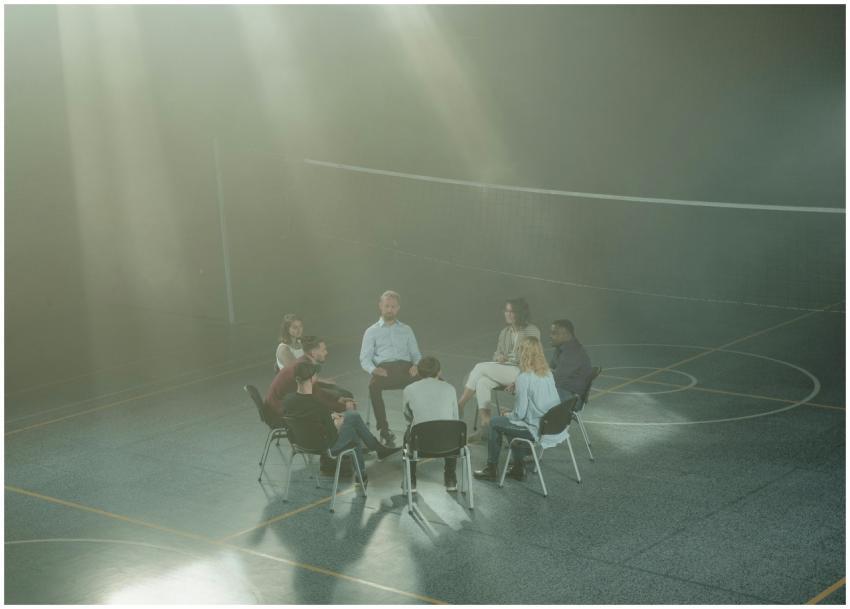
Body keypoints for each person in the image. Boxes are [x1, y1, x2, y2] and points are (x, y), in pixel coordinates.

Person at [282, 361, 402, 486]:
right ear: (312, 379)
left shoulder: (287, 400)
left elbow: (305, 417)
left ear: (297, 379)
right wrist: (340, 420)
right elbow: (332, 433)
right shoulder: (318, 406)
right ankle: (372, 457)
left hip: (299, 444)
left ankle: (370, 461)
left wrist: (331, 415)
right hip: (324, 446)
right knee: (353, 427)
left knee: (352, 421)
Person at [473, 336, 563, 482]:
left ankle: (491, 469)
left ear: (523, 354)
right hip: (550, 425)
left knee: (495, 423)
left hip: (535, 428)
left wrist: (508, 414)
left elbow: (519, 414)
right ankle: (518, 467)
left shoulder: (525, 377)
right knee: (509, 421)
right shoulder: (548, 373)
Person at [456, 298, 540, 430]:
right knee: (482, 382)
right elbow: (496, 354)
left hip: (522, 372)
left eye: (512, 311)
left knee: (479, 367)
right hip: (506, 370)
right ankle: (487, 426)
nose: (508, 314)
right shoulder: (505, 332)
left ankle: (460, 405)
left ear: (520, 313)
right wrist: (499, 357)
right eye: (506, 311)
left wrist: (517, 377)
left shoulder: (531, 330)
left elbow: (531, 360)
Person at [359, 290, 422, 447]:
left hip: (406, 368)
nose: (389, 309)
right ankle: (384, 429)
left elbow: (416, 354)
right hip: (385, 370)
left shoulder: (406, 329)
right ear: (380, 306)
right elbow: (364, 359)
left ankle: (420, 425)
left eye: (393, 307)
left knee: (429, 381)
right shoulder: (371, 331)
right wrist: (374, 370)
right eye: (387, 306)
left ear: (398, 308)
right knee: (373, 387)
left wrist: (416, 365)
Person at [264, 336, 356, 426]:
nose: (326, 352)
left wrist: (337, 399)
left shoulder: (305, 363)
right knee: (327, 413)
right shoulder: (305, 368)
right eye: (323, 350)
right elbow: (315, 397)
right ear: (313, 353)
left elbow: (316, 391)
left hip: (280, 406)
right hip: (280, 412)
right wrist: (343, 407)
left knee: (333, 409)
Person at [401, 356, 459, 493]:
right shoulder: (450, 388)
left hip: (420, 443)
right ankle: (450, 478)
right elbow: (455, 418)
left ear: (419, 372)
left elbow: (407, 415)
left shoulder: (409, 389)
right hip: (447, 444)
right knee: (453, 433)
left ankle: (411, 480)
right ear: (439, 372)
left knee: (407, 437)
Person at [549, 319, 593, 402]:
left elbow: (556, 379)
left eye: (554, 333)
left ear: (566, 335)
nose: (550, 336)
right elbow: (550, 369)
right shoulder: (561, 348)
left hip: (570, 397)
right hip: (563, 390)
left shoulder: (573, 352)